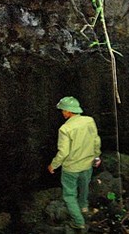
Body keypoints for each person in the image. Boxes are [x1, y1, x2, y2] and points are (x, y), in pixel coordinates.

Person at [48, 96, 102, 231]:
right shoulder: (89, 121)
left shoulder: (65, 129)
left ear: (68, 111)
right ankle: (84, 208)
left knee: (69, 195)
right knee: (84, 187)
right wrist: (96, 157)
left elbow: (63, 152)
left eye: (63, 110)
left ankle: (79, 222)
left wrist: (53, 165)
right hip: (87, 164)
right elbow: (96, 140)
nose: (62, 113)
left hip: (71, 168)